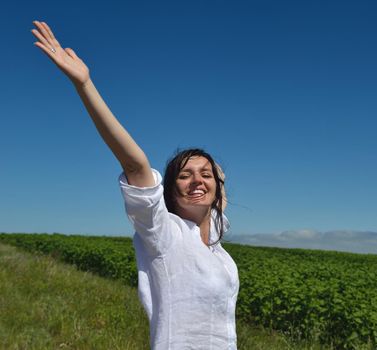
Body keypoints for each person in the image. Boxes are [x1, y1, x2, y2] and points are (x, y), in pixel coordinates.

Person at [31, 20, 240, 350]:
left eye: (206, 174)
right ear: (169, 189)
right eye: (185, 175)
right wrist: (84, 85)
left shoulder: (213, 234)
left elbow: (218, 200)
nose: (198, 181)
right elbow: (134, 164)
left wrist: (217, 182)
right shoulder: (163, 233)